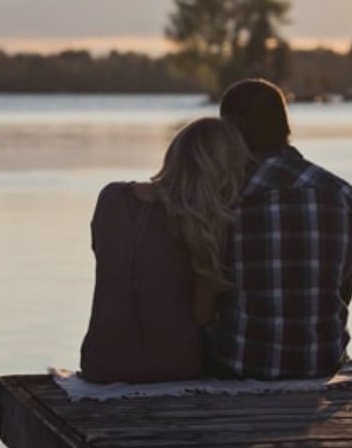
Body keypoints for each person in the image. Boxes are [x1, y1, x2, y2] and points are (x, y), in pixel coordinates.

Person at [206, 79, 352, 380]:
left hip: (237, 365)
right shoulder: (342, 193)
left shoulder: (220, 197)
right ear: (285, 125)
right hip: (321, 363)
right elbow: (343, 287)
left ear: (229, 129)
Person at [80, 118, 249, 383]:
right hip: (173, 367)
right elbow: (202, 316)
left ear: (174, 154)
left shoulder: (111, 198)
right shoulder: (203, 222)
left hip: (101, 362)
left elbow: (109, 261)